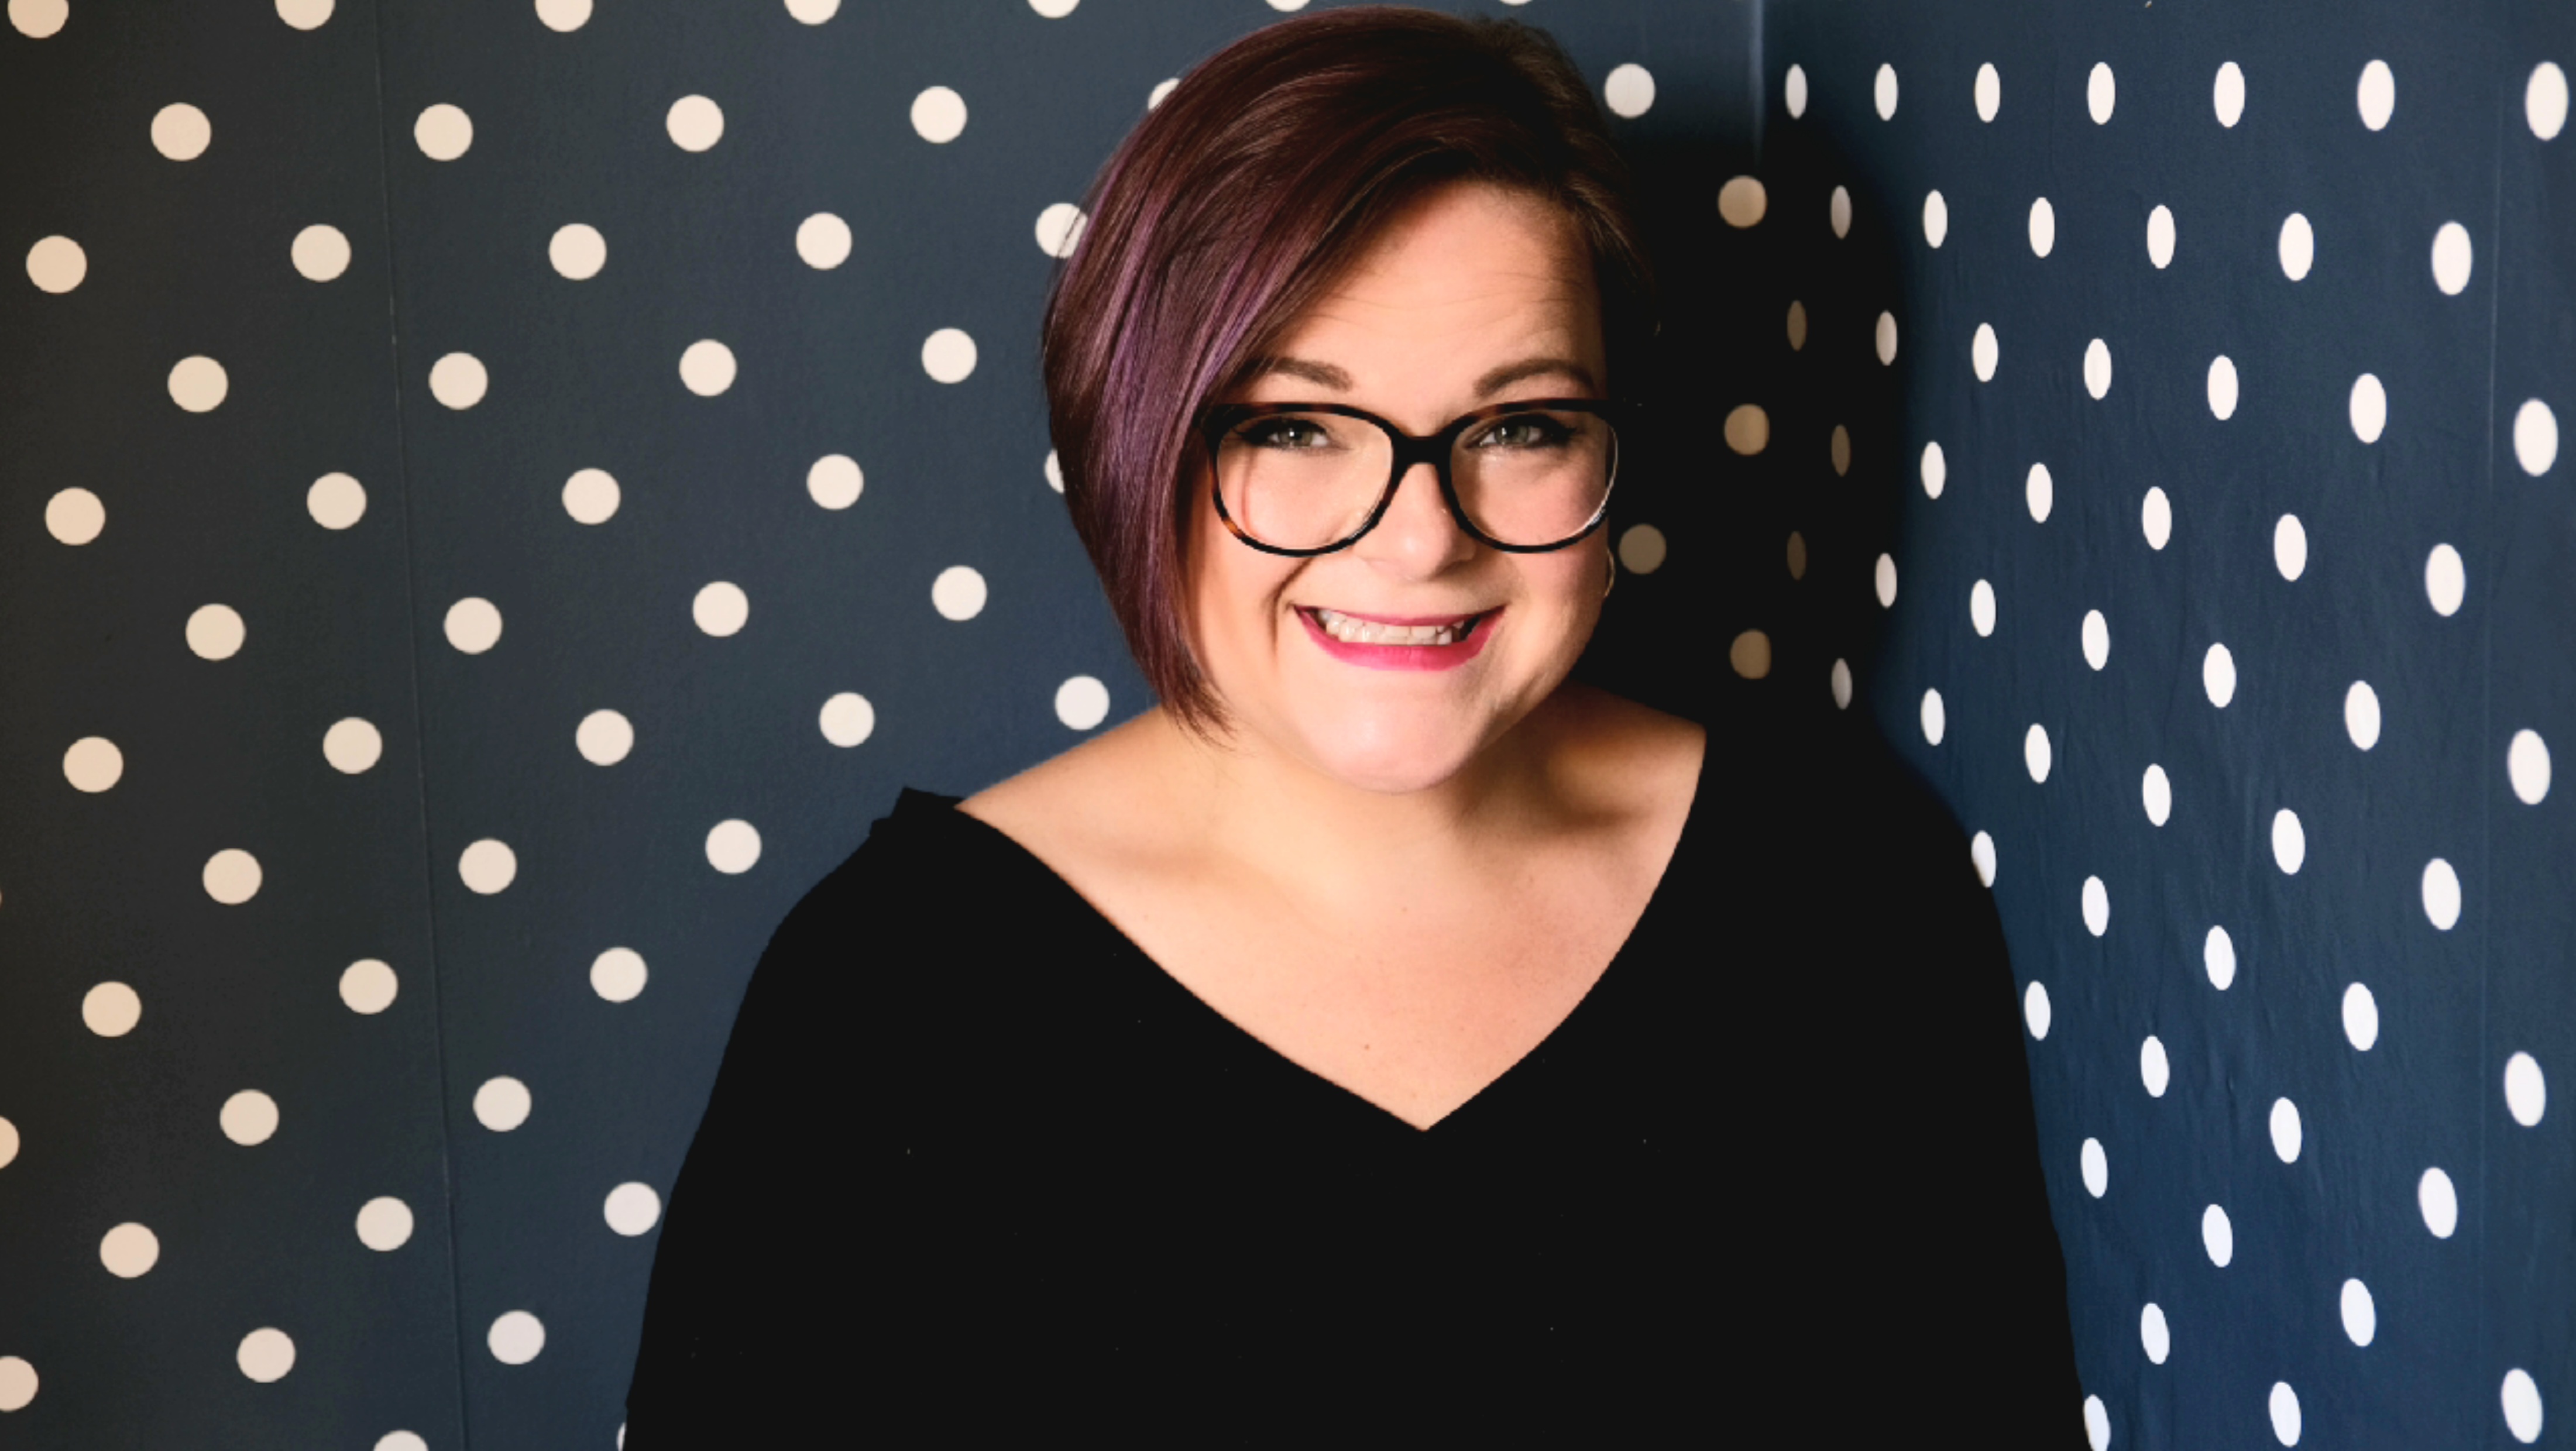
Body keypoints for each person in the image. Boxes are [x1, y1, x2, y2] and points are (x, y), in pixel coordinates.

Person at [623, 8, 2081, 1442]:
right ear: (1135, 443)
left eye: (1519, 426)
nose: (1414, 539)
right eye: (1293, 428)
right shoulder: (890, 1000)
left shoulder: (1838, 886)